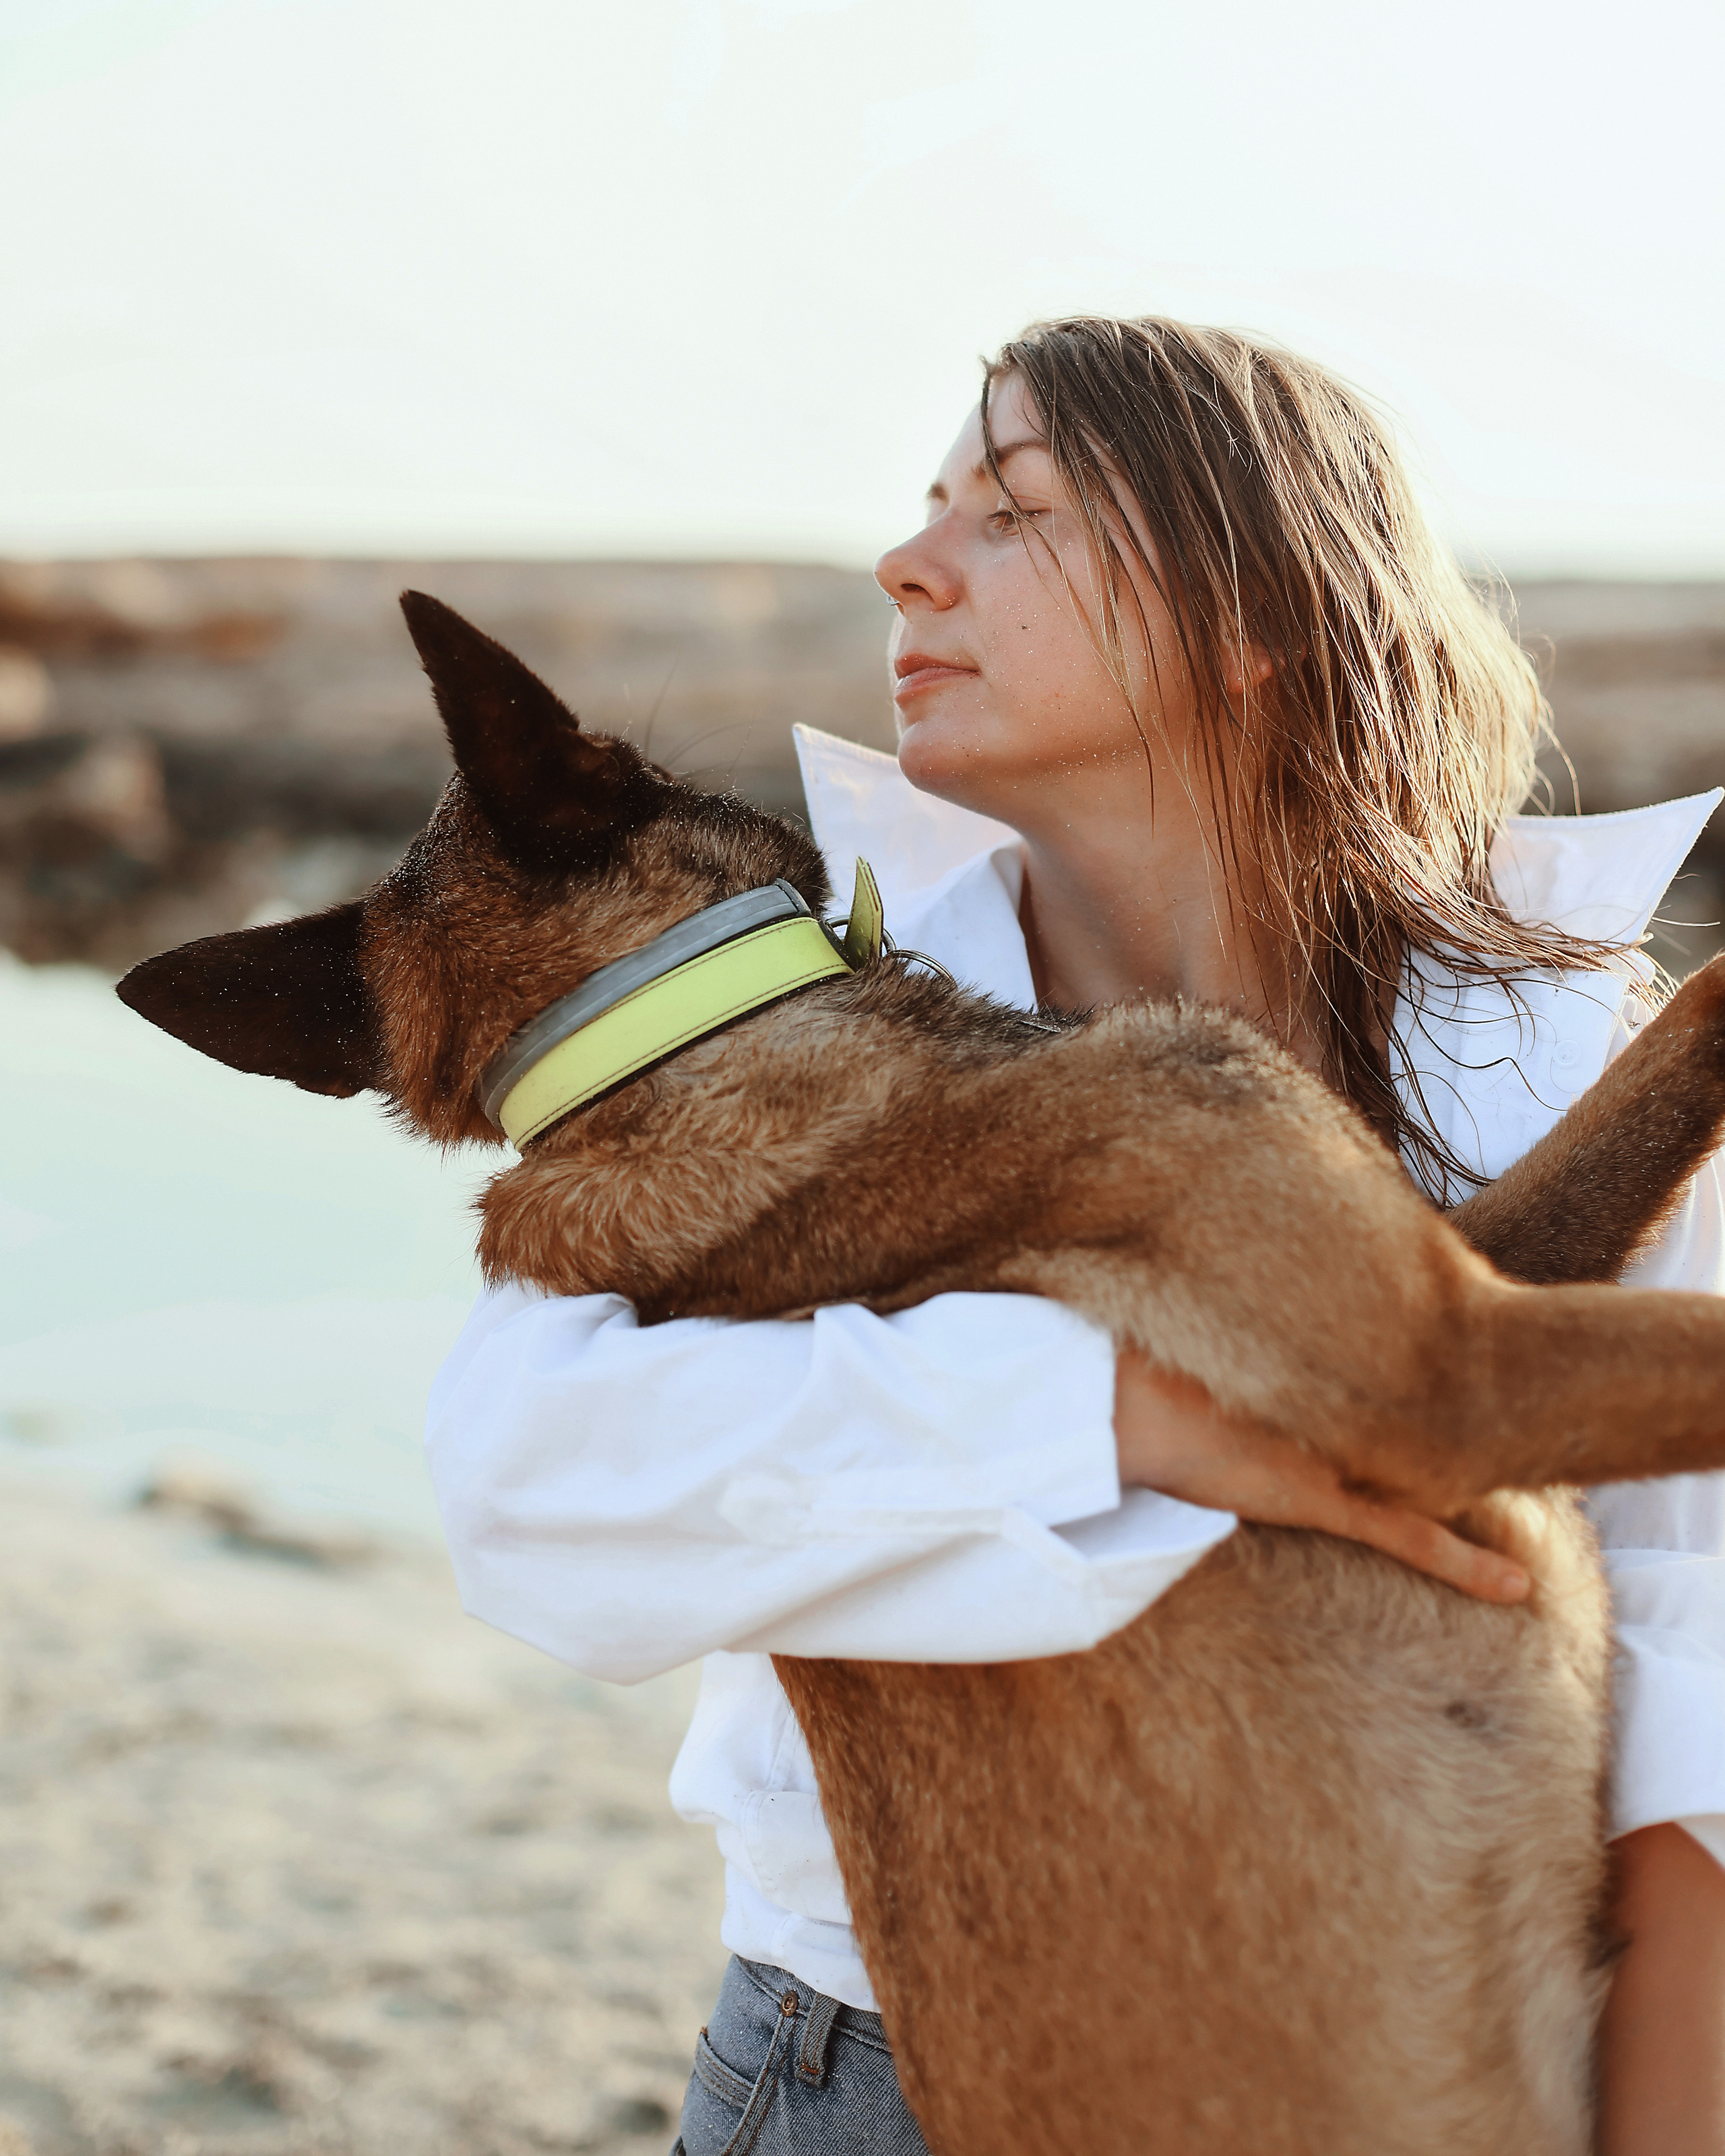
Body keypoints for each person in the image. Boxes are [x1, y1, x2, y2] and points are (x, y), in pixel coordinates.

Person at [426, 317, 1725, 2155]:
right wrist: (1136, 1416)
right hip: (879, 2069)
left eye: (1016, 510)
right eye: (931, 501)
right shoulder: (805, 1026)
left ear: (1258, 610)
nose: (912, 559)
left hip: (1443, 2053)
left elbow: (1700, 1686)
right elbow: (524, 1482)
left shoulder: (1559, 1043)